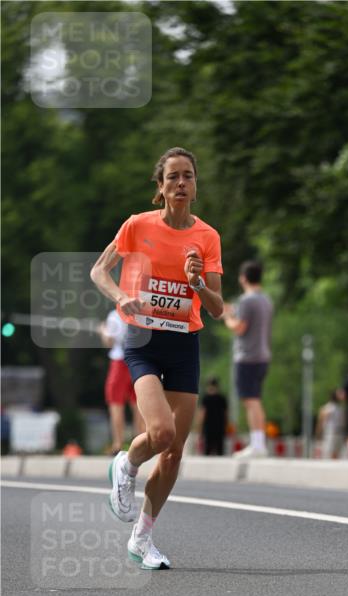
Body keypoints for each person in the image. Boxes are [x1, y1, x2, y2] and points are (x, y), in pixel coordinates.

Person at [90, 146, 223, 569]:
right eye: (173, 177)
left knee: (174, 452)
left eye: (188, 176)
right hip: (142, 339)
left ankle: (142, 540)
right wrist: (120, 297)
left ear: (196, 186)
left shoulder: (207, 237)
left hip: (184, 344)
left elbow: (218, 307)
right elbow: (99, 271)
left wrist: (197, 283)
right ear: (161, 187)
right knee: (161, 432)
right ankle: (126, 464)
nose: (181, 183)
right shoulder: (137, 226)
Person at [222, 261, 273, 458]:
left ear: (243, 278)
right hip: (262, 355)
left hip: (247, 356)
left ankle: (258, 444)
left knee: (251, 401)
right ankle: (258, 442)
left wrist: (227, 318)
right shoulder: (266, 300)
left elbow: (239, 327)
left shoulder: (246, 301)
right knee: (255, 399)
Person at [98, 309, 144, 455]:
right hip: (139, 361)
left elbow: (109, 341)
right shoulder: (141, 312)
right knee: (139, 404)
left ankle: (118, 444)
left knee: (116, 403)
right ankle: (140, 442)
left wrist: (102, 330)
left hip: (120, 362)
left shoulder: (115, 315)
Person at [196, 377, 228, 456]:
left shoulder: (205, 398)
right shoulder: (222, 398)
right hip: (220, 427)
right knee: (220, 450)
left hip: (208, 427)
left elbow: (202, 414)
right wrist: (226, 425)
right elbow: (226, 413)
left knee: (207, 450)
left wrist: (199, 427)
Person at [316, 389, 343, 459]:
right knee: (329, 453)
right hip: (330, 433)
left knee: (335, 453)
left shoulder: (339, 408)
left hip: (336, 432)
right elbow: (321, 420)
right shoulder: (328, 408)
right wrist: (319, 432)